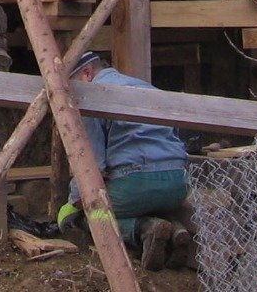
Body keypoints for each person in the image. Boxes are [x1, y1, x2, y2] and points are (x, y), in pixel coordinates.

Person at [55, 51, 192, 270]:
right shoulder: (148, 88)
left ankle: (144, 229)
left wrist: (73, 202)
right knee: (148, 202)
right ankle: (176, 231)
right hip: (178, 184)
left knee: (91, 214)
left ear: (87, 74)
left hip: (136, 185)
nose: (72, 93)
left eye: (73, 84)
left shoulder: (91, 95)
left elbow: (92, 166)